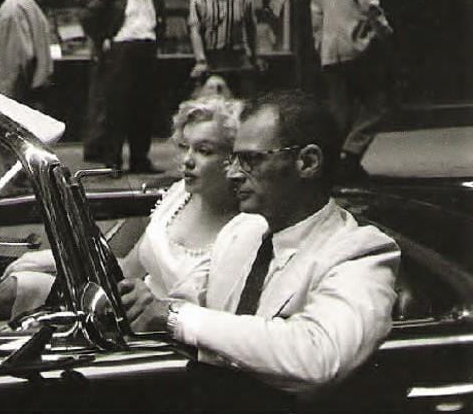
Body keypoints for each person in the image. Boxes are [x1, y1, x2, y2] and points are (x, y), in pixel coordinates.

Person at [121, 89, 400, 403]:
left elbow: (319, 355)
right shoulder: (241, 231)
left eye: (251, 159)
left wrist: (173, 316)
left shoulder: (360, 252)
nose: (233, 173)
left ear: (308, 162)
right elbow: (186, 300)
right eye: (234, 158)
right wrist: (142, 304)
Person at [0, 95, 259, 320]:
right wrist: (53, 259)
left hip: (161, 339)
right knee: (16, 286)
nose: (187, 160)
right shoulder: (179, 195)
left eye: (204, 151)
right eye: (185, 147)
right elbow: (128, 269)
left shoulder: (246, 229)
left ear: (234, 159)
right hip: (122, 310)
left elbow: (216, 321)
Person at [311, 0, 393, 181]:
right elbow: (369, 3)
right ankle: (350, 153)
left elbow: (316, 15)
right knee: (378, 104)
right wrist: (384, 31)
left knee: (340, 110)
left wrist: (321, 46)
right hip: (359, 47)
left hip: (330, 52)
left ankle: (332, 162)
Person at [81, 0, 166, 174]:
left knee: (144, 108)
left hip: (147, 52)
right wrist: (102, 38)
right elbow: (88, 16)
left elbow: (160, 25)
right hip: (122, 53)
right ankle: (113, 161)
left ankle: (140, 159)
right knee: (117, 108)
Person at [189, 0, 262, 98]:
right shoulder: (199, 1)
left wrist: (255, 56)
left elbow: (251, 29)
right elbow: (195, 31)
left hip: (238, 59)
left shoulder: (244, 0)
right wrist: (201, 60)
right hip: (211, 59)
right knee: (211, 103)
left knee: (245, 101)